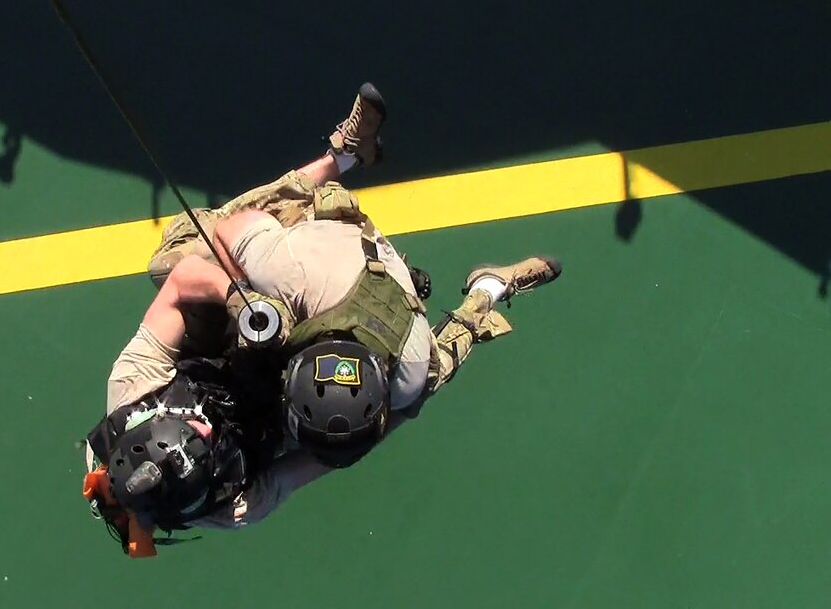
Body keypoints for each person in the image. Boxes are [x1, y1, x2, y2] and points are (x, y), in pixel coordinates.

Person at [83, 83, 562, 553]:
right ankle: (489, 291)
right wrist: (372, 410)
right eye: (205, 445)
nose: (205, 429)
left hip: (238, 331)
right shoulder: (235, 504)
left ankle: (345, 154)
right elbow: (324, 460)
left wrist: (240, 299)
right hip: (288, 403)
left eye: (192, 429)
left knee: (182, 249)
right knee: (419, 381)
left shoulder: (130, 389)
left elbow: (185, 278)